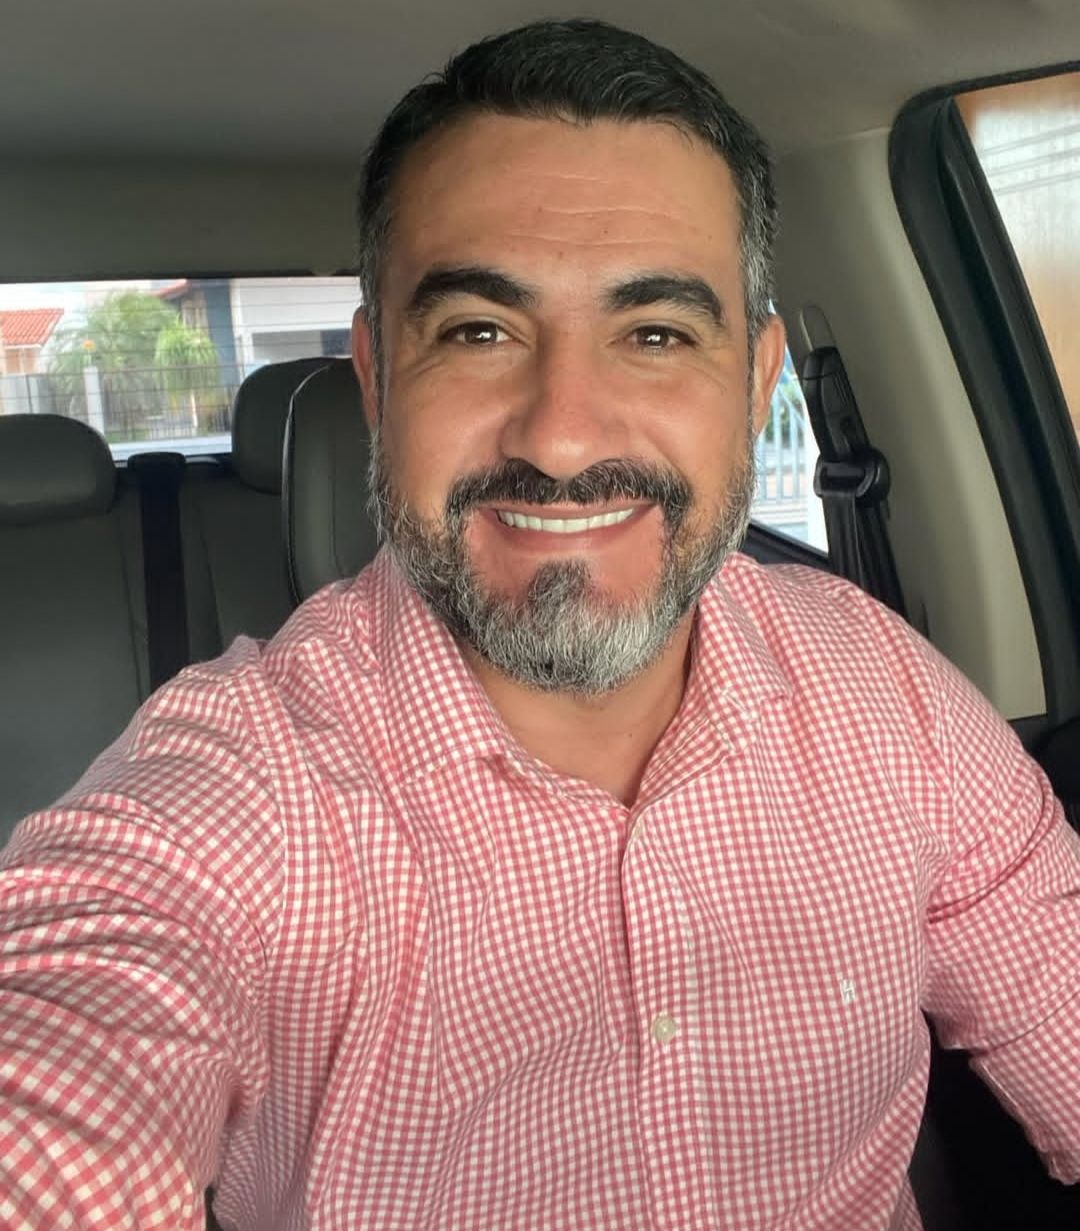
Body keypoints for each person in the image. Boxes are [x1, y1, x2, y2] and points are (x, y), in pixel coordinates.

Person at [2, 18, 1078, 1231]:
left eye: (656, 334)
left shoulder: (888, 692)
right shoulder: (239, 798)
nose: (562, 438)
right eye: (478, 331)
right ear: (377, 379)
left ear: (757, 382)